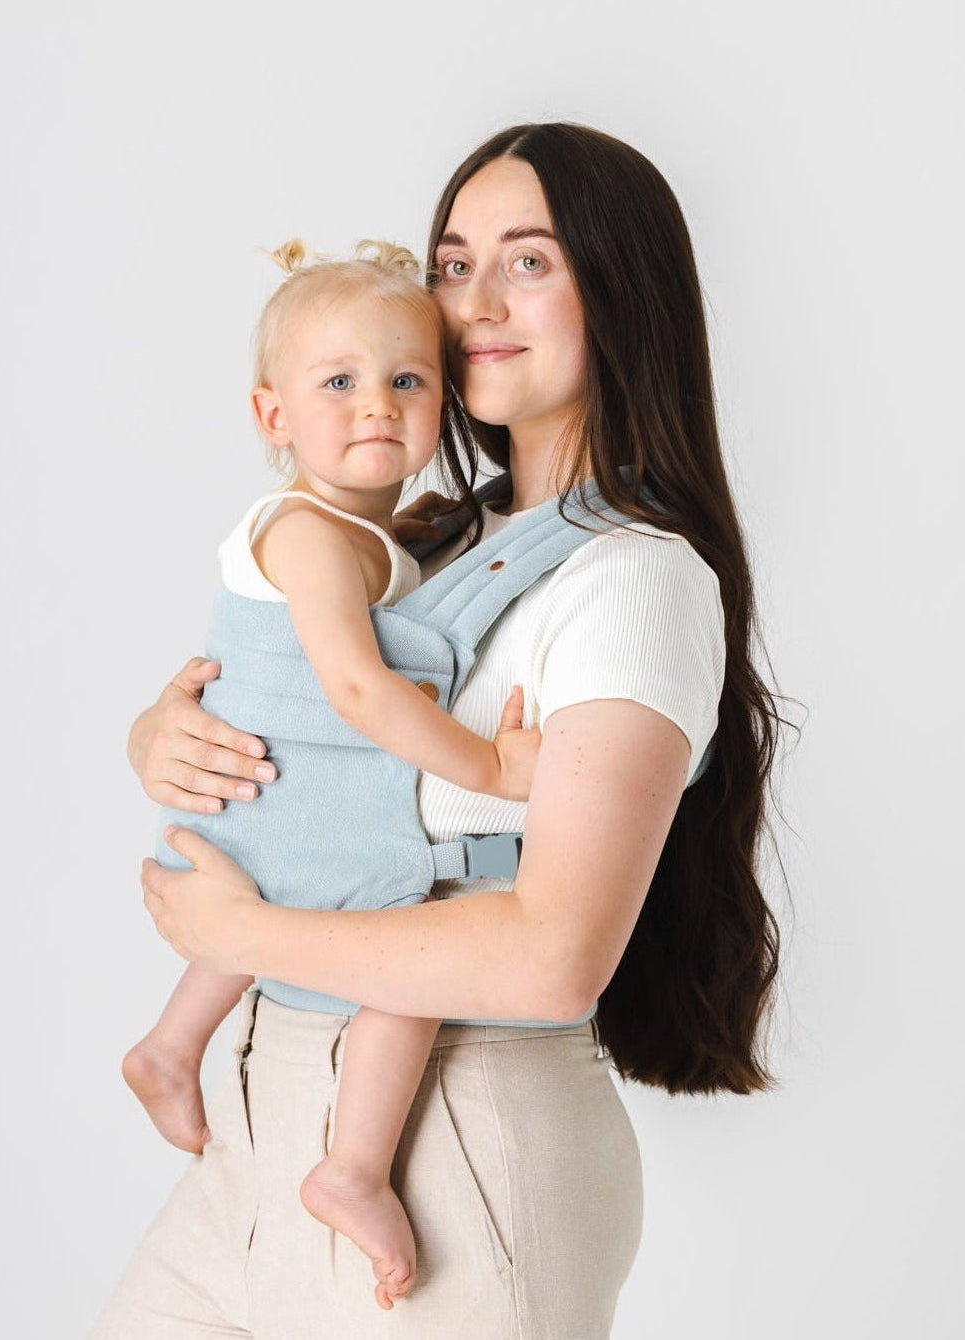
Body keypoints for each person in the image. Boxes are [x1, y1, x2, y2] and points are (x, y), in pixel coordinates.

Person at [95, 121, 783, 1339]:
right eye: (453, 263)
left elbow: (552, 954)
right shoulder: (422, 536)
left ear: (620, 291)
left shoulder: (634, 577)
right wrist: (161, 729)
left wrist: (240, 931)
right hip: (259, 1130)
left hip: (455, 1152)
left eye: (527, 260)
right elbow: (301, 710)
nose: (474, 301)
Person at [121, 237, 542, 1310]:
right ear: (274, 416)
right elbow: (356, 688)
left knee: (293, 910)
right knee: (414, 954)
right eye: (339, 383)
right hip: (282, 798)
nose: (376, 407)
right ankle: (352, 1166)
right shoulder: (311, 534)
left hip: (277, 814)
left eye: (406, 380)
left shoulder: (382, 536)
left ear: (445, 398)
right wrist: (493, 768)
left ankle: (171, 1045)